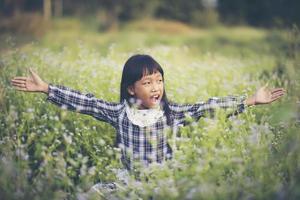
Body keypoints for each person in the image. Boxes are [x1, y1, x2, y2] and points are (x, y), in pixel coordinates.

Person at [10, 54, 285, 197]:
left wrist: (248, 100)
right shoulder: (119, 113)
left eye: (159, 80)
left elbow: (206, 107)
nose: (156, 87)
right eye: (148, 82)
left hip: (163, 186)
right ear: (131, 88)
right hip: (129, 183)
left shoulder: (171, 113)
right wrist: (47, 88)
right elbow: (86, 102)